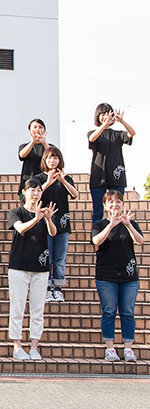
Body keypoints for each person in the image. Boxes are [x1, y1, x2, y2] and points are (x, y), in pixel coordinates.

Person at [91, 190, 144, 362]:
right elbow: (96, 241)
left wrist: (127, 225)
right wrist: (111, 225)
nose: (115, 204)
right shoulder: (99, 224)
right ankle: (110, 349)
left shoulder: (131, 223)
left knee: (128, 312)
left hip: (129, 277)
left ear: (122, 204)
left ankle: (128, 349)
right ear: (105, 205)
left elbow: (140, 241)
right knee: (109, 311)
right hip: (106, 276)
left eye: (118, 201)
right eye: (111, 201)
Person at [7, 179, 57, 360]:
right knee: (18, 307)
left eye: (38, 190)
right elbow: (20, 229)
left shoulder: (44, 214)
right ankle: (17, 346)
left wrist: (48, 219)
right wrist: (36, 219)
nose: (35, 194)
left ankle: (34, 346)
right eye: (32, 190)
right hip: (19, 266)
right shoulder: (16, 212)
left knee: (38, 309)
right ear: (24, 192)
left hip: (41, 268)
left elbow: (53, 233)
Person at [32, 146, 78, 302]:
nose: (52, 161)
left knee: (59, 258)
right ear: (45, 160)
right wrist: (48, 182)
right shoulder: (38, 178)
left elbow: (75, 194)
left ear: (60, 160)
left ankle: (57, 289)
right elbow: (33, 196)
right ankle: (45, 288)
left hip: (63, 223)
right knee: (47, 257)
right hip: (45, 223)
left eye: (56, 158)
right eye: (50, 158)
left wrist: (63, 180)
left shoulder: (65, 177)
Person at [87, 103, 136, 223]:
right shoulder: (93, 133)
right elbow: (91, 139)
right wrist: (104, 124)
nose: (105, 116)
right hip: (98, 175)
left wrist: (122, 121)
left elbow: (132, 133)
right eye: (102, 114)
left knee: (117, 209)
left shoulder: (118, 134)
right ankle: (96, 238)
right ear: (97, 116)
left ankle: (116, 235)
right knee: (98, 210)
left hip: (116, 175)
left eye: (108, 114)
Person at [18, 118, 53, 197]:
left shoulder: (49, 146)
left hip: (46, 184)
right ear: (30, 131)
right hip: (28, 183)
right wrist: (32, 142)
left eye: (40, 127)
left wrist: (44, 143)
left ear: (44, 130)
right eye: (35, 127)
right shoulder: (24, 146)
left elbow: (53, 154)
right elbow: (22, 155)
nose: (38, 129)